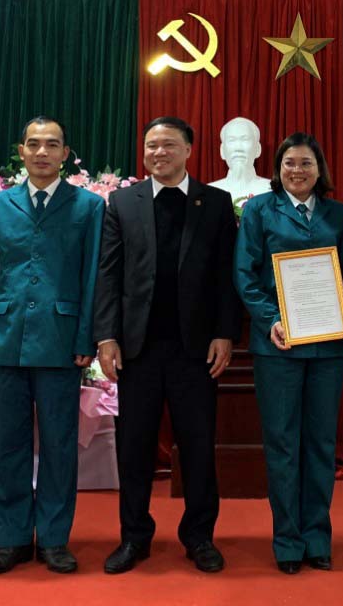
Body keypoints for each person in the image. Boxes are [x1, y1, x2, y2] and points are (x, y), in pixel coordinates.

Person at [94, 116, 241, 574]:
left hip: (195, 349)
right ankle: (134, 537)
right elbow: (108, 274)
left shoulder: (215, 203)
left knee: (197, 447)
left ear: (189, 150)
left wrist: (225, 333)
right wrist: (106, 336)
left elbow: (226, 275)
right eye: (152, 146)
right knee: (133, 448)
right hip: (137, 348)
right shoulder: (123, 202)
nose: (159, 153)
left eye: (169, 145)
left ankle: (199, 537)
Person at [0, 116, 104, 575]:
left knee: (59, 444)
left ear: (66, 153)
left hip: (61, 341)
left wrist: (86, 337)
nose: (42, 152)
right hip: (6, 339)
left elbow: (93, 276)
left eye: (52, 145)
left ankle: (52, 538)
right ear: (21, 151)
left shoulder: (88, 207)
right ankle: (10, 538)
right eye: (34, 144)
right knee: (5, 446)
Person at [234, 132, 343, 574]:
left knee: (322, 444)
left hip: (329, 344)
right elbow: (245, 274)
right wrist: (270, 318)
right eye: (289, 163)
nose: (297, 171)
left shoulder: (337, 213)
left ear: (319, 168)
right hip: (279, 345)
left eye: (306, 163)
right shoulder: (258, 210)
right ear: (278, 168)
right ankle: (287, 541)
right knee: (283, 444)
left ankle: (317, 537)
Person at [208, 117, 270, 202]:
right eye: (231, 140)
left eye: (245, 140)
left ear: (258, 149)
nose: (238, 148)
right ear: (222, 151)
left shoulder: (272, 191)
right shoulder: (209, 192)